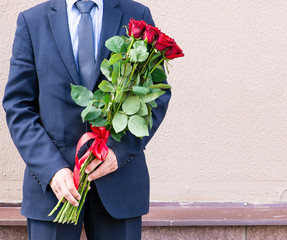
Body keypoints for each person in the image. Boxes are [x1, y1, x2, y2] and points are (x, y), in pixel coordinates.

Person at [2, 0, 171, 239]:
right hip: (54, 190)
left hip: (118, 184)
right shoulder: (32, 21)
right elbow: (18, 106)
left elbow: (156, 96)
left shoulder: (136, 14)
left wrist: (117, 152)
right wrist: (52, 169)